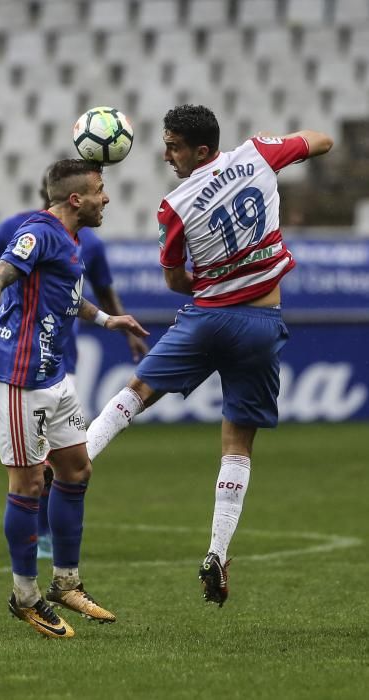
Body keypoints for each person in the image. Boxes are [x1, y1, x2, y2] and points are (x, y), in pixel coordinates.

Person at [85, 104, 333, 608]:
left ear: (200, 149)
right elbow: (322, 140)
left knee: (137, 393)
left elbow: (176, 281)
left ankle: (75, 460)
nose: (166, 153)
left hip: (206, 318)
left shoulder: (173, 205)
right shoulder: (259, 154)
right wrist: (277, 143)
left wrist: (216, 279)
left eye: (173, 144)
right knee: (238, 442)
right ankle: (217, 551)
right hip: (262, 324)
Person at [0, 159, 149, 639]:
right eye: (101, 190)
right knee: (27, 486)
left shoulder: (70, 241)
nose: (108, 198)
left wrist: (108, 320)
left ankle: (66, 583)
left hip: (54, 377)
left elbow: (66, 298)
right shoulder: (37, 232)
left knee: (76, 469)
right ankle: (25, 596)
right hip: (17, 378)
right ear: (77, 199)